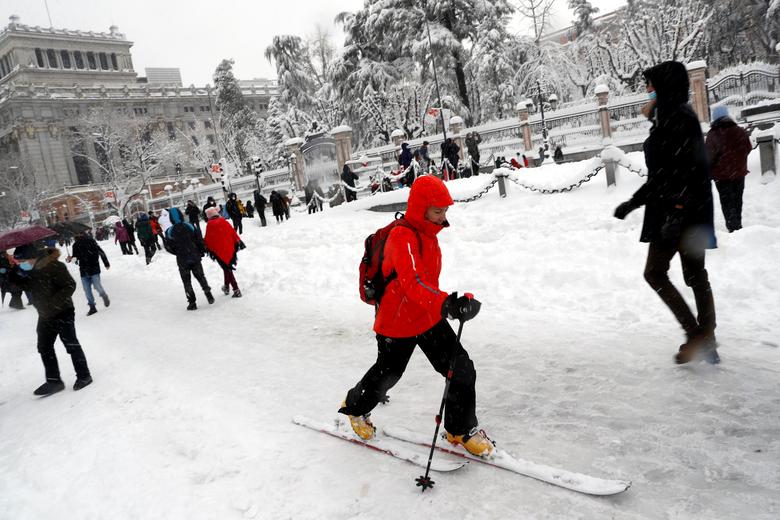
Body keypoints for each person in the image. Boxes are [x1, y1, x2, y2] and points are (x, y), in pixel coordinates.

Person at [338, 175, 493, 457]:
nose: (443, 217)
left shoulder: (429, 235)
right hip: (396, 322)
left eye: (446, 211)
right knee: (388, 374)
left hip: (426, 315)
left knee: (461, 369)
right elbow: (411, 282)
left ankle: (459, 429)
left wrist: (453, 302)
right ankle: (355, 408)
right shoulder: (402, 236)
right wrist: (446, 303)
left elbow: (426, 283)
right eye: (437, 211)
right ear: (421, 208)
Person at [613, 60, 718, 365]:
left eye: (650, 85)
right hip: (685, 208)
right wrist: (633, 204)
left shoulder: (676, 117)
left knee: (656, 272)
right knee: (695, 275)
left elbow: (680, 170)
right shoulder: (671, 115)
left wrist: (675, 207)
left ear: (664, 86)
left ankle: (697, 335)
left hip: (679, 210)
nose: (646, 91)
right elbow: (664, 171)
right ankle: (705, 337)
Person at [9, 244, 92, 396]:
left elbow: (70, 285)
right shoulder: (31, 270)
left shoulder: (54, 266)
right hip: (45, 315)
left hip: (63, 312)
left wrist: (53, 303)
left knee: (71, 344)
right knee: (44, 346)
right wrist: (12, 274)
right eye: (18, 263)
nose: (21, 265)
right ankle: (54, 381)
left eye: (22, 262)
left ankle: (84, 375)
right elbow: (27, 286)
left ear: (32, 257)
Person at [706, 105, 752, 233]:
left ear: (714, 118)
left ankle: (733, 227)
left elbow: (709, 157)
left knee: (727, 202)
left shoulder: (713, 134)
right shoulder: (739, 131)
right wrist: (738, 162)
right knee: (738, 199)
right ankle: (738, 224)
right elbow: (748, 148)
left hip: (721, 176)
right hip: (739, 172)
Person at [165, 208, 214, 310]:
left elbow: (168, 247)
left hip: (182, 259)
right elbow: (199, 239)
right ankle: (208, 293)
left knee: (186, 281)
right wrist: (200, 251)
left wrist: (177, 252)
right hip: (194, 256)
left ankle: (192, 302)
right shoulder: (189, 226)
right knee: (201, 276)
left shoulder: (170, 231)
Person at [204, 207, 244, 298]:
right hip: (230, 248)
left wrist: (205, 245)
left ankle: (236, 289)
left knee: (227, 269)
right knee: (227, 268)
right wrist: (237, 242)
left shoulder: (210, 224)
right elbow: (232, 232)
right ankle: (226, 287)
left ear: (209, 216)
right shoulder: (223, 221)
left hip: (219, 251)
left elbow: (208, 239)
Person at [67, 232, 110, 316]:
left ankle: (103, 295)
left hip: (94, 268)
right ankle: (92, 307)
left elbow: (100, 252)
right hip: (83, 270)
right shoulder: (75, 245)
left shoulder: (91, 241)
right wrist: (70, 259)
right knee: (87, 290)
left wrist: (106, 263)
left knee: (97, 286)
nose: (77, 235)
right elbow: (76, 259)